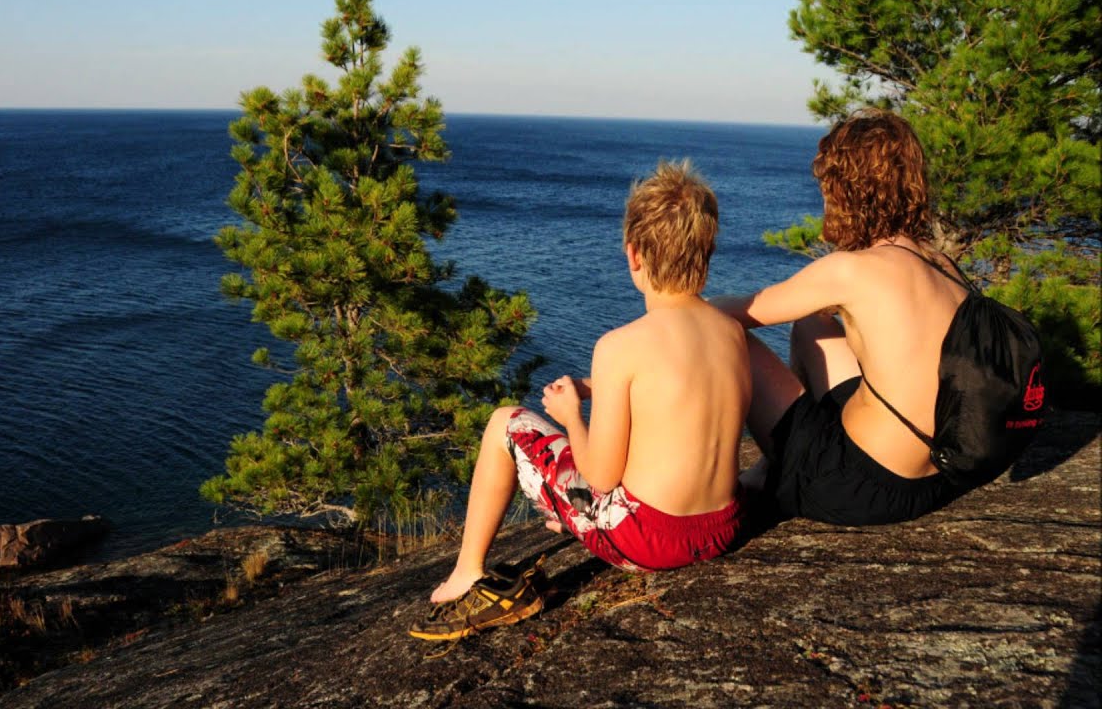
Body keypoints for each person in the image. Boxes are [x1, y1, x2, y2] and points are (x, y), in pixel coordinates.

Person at [410, 160, 750, 641]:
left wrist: (572, 416)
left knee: (505, 423)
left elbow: (602, 475)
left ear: (634, 255)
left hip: (649, 541)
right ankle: (571, 519)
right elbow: (674, 398)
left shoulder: (620, 345)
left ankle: (468, 569)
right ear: (708, 250)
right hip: (719, 530)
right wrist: (601, 387)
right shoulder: (731, 333)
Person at [712, 108, 966, 526]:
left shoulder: (853, 269)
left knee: (727, 336)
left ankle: (779, 472)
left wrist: (673, 315)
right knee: (812, 322)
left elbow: (738, 312)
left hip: (860, 487)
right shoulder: (942, 264)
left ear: (847, 189)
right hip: (934, 479)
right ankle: (772, 467)